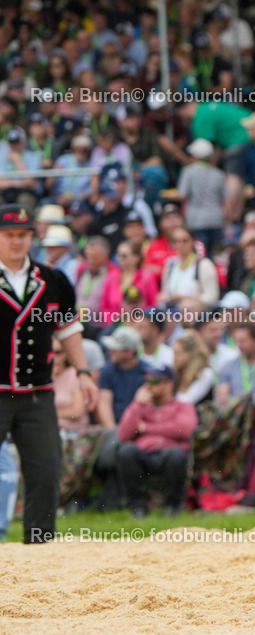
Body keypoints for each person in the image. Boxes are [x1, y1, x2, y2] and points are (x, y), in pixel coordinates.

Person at [0, 204, 98, 543]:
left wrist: (83, 371)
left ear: (32, 237)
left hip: (37, 393)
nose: (16, 241)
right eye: (9, 235)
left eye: (23, 235)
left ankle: (39, 549)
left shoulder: (52, 279)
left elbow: (68, 329)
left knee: (46, 470)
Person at [116, 361, 198, 518]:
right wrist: (137, 405)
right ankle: (137, 507)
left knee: (176, 454)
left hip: (169, 454)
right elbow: (123, 435)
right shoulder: (140, 407)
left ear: (168, 385)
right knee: (126, 451)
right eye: (146, 381)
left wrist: (146, 427)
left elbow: (183, 429)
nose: (148, 385)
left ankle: (173, 507)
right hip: (144, 455)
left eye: (154, 381)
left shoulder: (182, 406)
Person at [159, 227, 220, 308]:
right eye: (176, 241)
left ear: (193, 241)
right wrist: (163, 297)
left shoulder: (204, 265)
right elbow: (165, 293)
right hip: (172, 310)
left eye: (184, 240)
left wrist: (185, 298)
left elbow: (212, 298)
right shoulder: (170, 266)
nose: (180, 245)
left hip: (197, 312)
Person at [97, 326, 146, 426]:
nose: (109, 351)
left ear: (130, 353)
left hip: (138, 426)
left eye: (115, 349)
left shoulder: (147, 373)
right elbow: (104, 404)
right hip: (114, 426)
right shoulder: (107, 371)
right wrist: (112, 431)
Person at [172, 330, 216, 406]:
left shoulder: (205, 374)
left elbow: (186, 402)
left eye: (178, 353)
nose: (174, 358)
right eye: (174, 353)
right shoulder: (176, 374)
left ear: (190, 354)